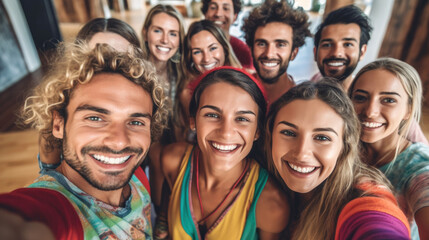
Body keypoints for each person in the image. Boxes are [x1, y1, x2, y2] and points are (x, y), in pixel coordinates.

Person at [0, 43, 167, 239]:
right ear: (58, 125)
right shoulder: (57, 207)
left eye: (136, 121)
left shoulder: (136, 175)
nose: (119, 142)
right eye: (95, 118)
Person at [265, 79, 410, 239]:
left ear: (344, 146)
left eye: (322, 137)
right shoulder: (259, 175)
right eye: (289, 133)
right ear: (270, 136)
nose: (301, 154)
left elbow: (379, 223)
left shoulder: (362, 195)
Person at [161, 67, 289, 239]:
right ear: (193, 121)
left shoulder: (271, 204)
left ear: (257, 131)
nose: (226, 133)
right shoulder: (173, 161)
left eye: (242, 119)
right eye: (212, 115)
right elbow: (163, 218)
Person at [349, 58, 429, 239]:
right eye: (360, 97)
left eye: (388, 100)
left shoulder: (418, 165)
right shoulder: (340, 148)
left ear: (409, 109)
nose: (370, 111)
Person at [242, 0, 311, 104]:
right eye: (261, 44)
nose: (269, 54)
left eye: (280, 45)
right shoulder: (238, 88)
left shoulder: (300, 103)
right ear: (251, 49)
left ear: (294, 53)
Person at [311, 5, 372, 91]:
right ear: (315, 52)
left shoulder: (365, 101)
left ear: (362, 52)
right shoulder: (311, 86)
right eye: (327, 45)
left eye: (348, 44)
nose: (336, 53)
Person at [200, 0, 254, 70]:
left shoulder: (243, 52)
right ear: (205, 13)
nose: (218, 14)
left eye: (226, 8)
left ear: (235, 16)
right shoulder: (191, 44)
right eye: (213, 8)